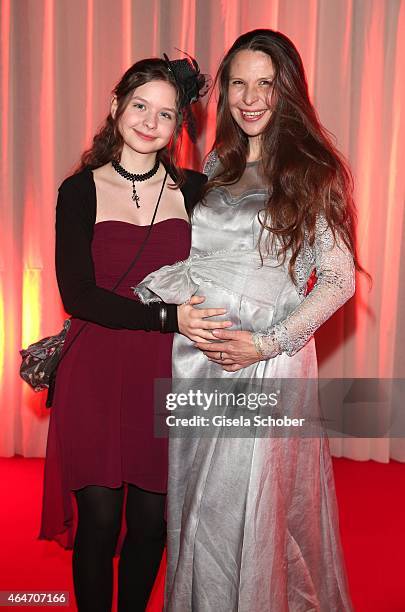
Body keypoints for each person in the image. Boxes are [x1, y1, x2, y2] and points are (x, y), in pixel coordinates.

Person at [136, 30, 361, 611]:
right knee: (194, 510)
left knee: (242, 509)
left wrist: (263, 345)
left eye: (266, 82)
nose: (251, 97)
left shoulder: (313, 171)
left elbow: (336, 281)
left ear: (288, 91)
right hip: (196, 363)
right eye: (239, 82)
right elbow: (196, 256)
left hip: (264, 366)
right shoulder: (218, 163)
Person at [38, 56, 232, 612]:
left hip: (166, 372)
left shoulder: (195, 191)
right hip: (95, 367)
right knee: (100, 520)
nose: (150, 122)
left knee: (152, 522)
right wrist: (168, 317)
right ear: (117, 105)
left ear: (179, 128)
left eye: (166, 114)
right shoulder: (79, 191)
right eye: (140, 105)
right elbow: (79, 295)